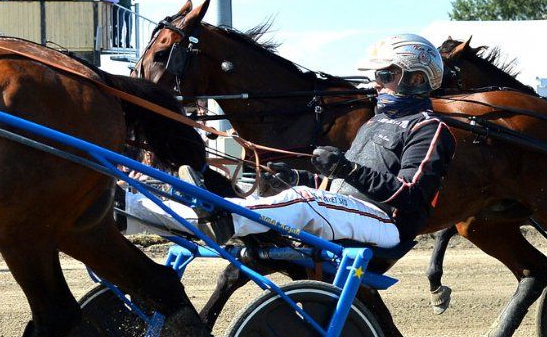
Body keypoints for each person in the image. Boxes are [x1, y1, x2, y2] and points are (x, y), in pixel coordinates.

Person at [129, 34, 455, 253]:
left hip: (385, 224)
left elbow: (412, 196)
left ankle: (221, 219)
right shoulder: (376, 121)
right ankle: (135, 210)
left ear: (416, 79)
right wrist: (297, 176)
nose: (376, 82)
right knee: (285, 192)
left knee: (298, 202)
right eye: (378, 75)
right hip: (351, 211)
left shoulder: (429, 129)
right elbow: (340, 184)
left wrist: (347, 168)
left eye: (385, 76)